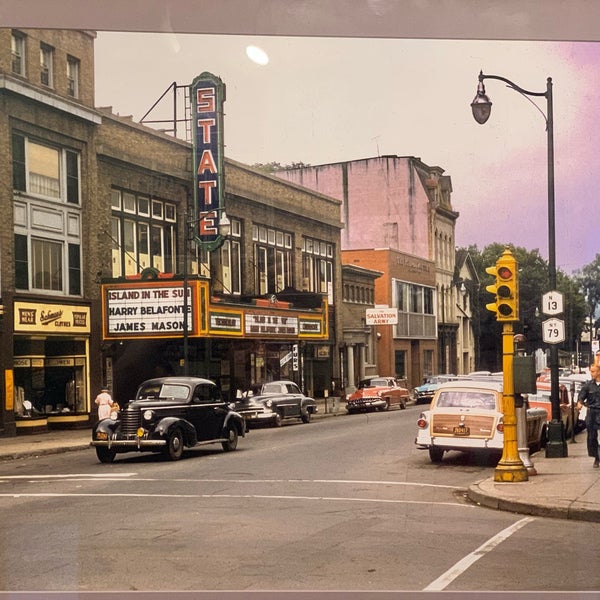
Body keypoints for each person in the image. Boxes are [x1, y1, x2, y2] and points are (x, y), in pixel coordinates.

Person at [576, 363, 600, 468]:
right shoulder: (588, 385)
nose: (591, 373)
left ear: (599, 372)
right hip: (592, 413)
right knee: (591, 437)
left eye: (593, 371)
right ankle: (596, 457)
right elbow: (581, 396)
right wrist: (580, 403)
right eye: (591, 371)